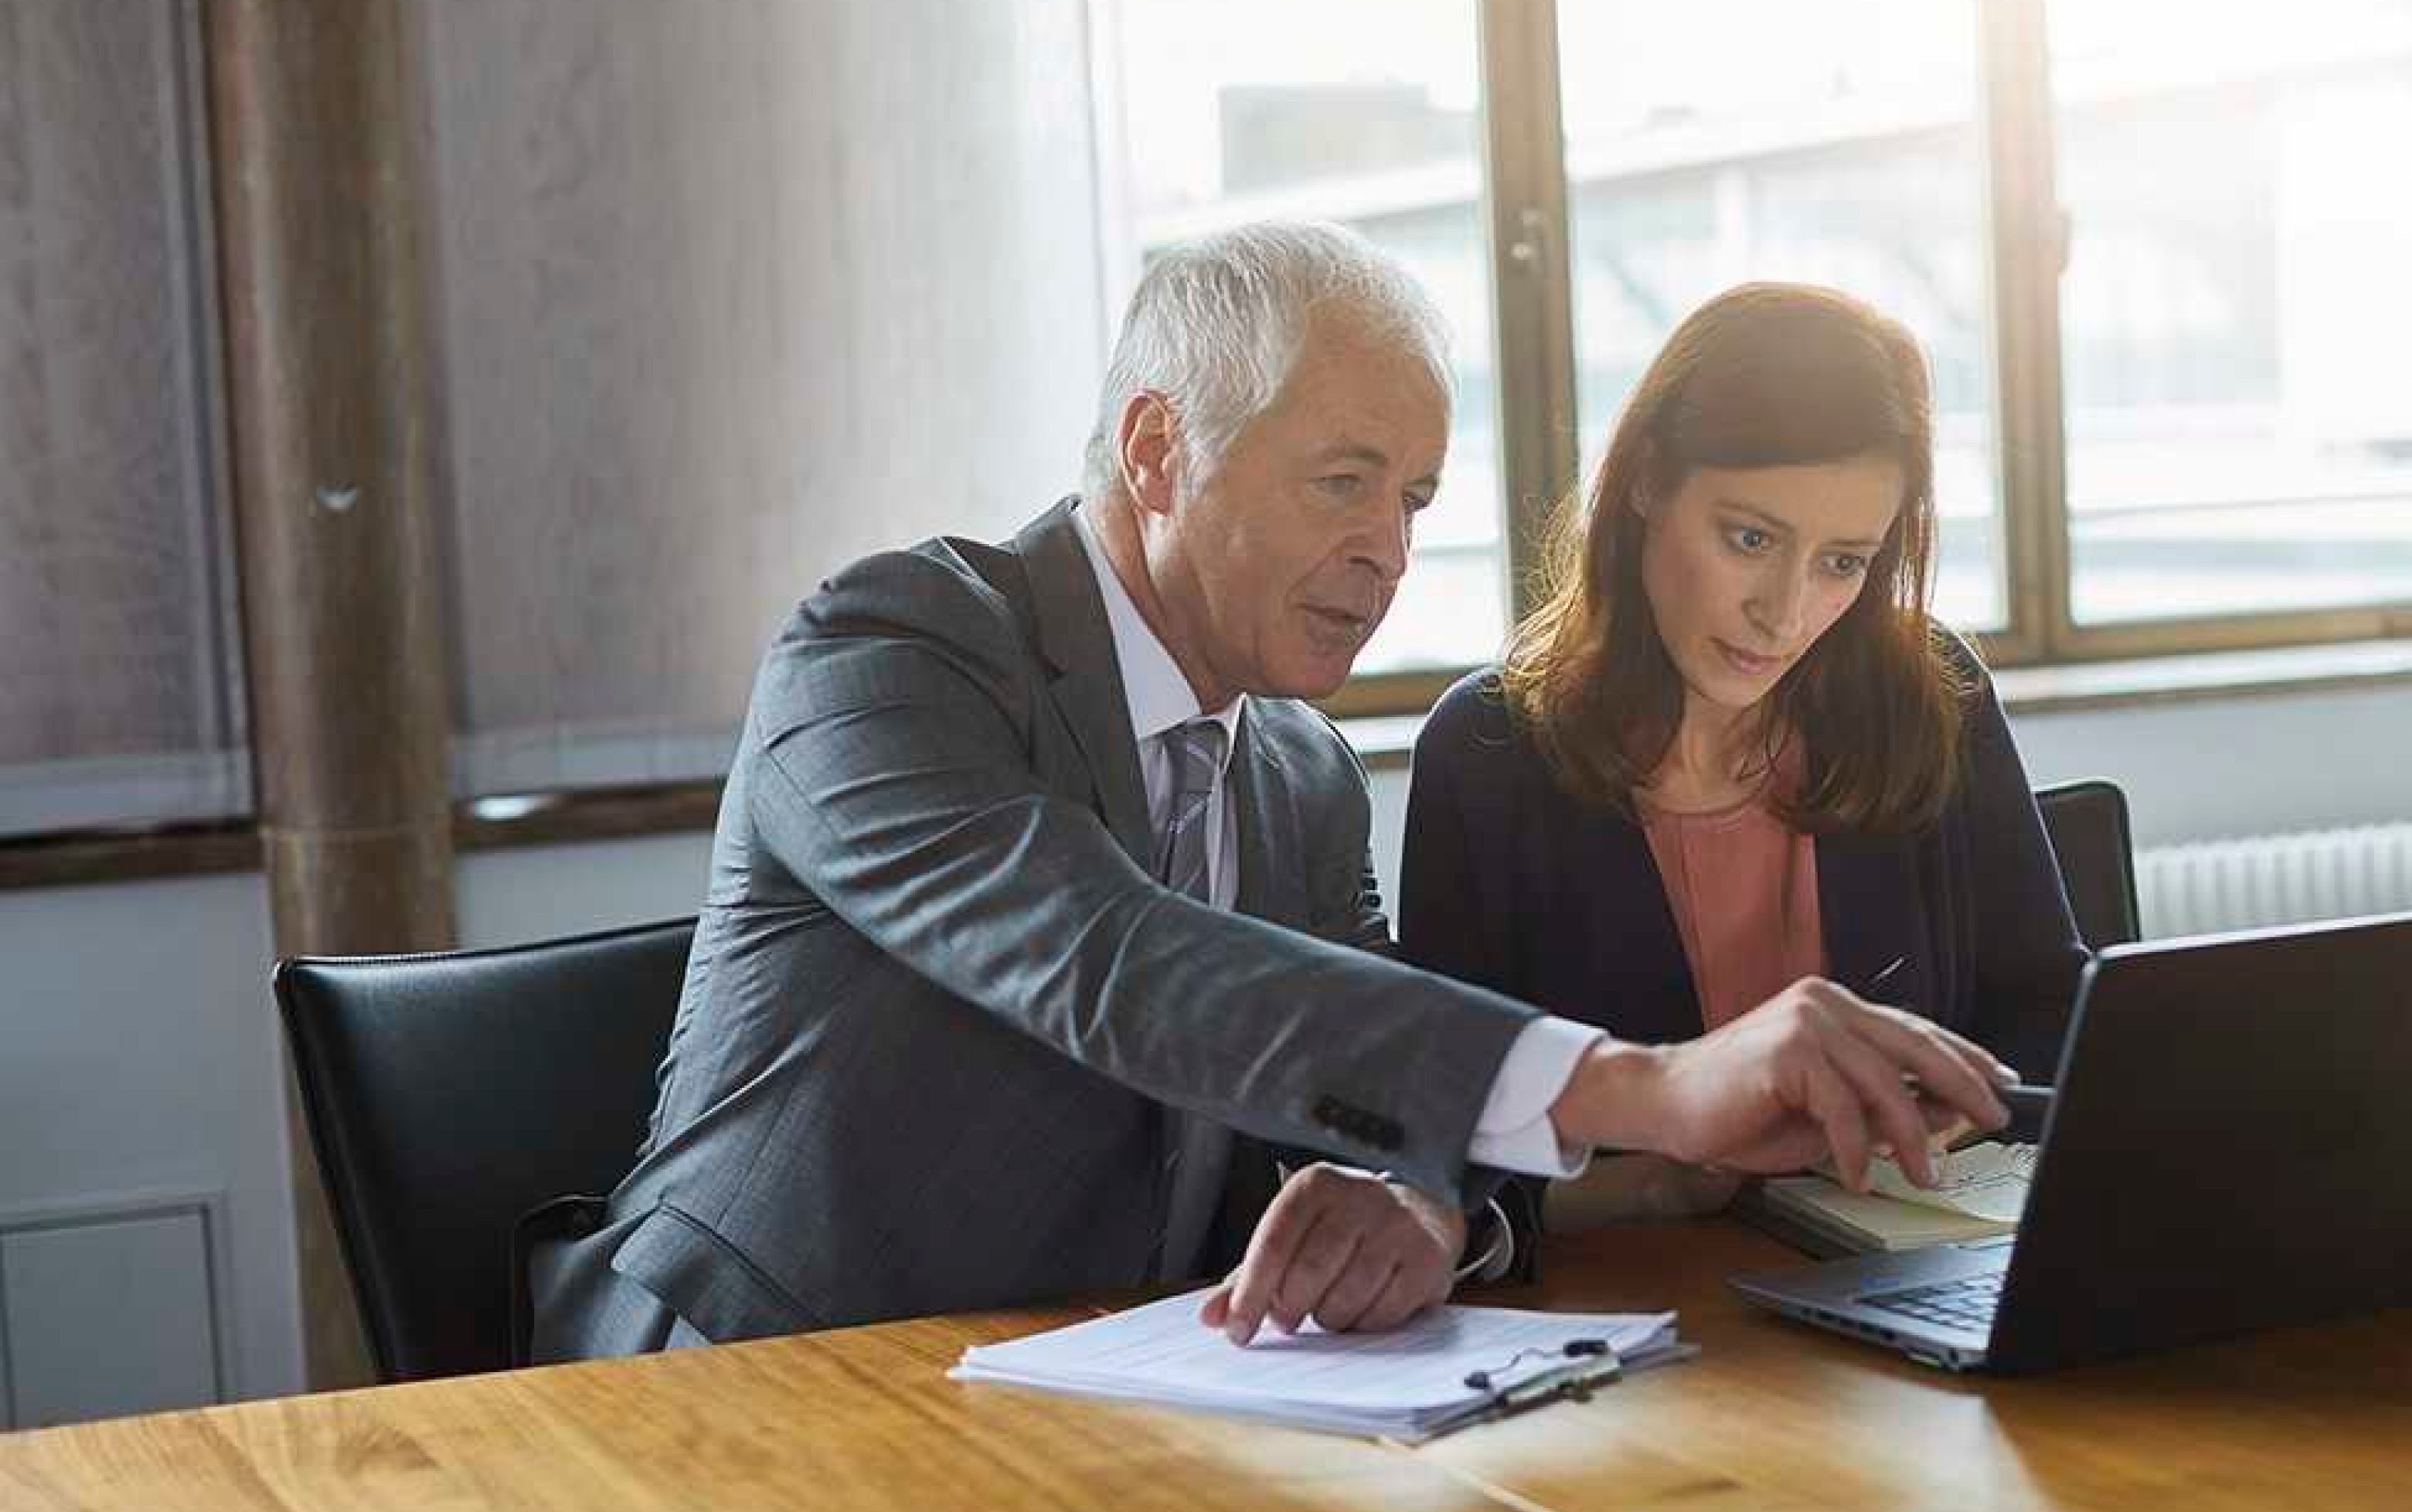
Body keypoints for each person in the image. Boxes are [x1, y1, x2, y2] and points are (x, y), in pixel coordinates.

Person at [531, 227, 2018, 1361]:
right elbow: (1110, 955)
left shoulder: (1301, 776)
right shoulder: (893, 649)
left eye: (1415, 502)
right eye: (1341, 484)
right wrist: (1652, 1085)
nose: (1386, 551)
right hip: (749, 1380)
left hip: (1105, 1386)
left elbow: (1381, 1112)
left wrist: (1425, 1207)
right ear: (1160, 450)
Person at [1400, 282, 2087, 1235]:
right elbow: (1437, 1135)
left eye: (1843, 561)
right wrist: (1640, 1187)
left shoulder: (1929, 693)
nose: (1787, 611)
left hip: (1905, 1279)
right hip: (1642, 1320)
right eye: (1751, 538)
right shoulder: (1485, 756)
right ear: (1644, 481)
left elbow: (2050, 1019)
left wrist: (1935, 1130)